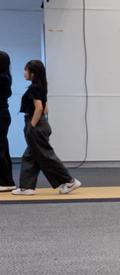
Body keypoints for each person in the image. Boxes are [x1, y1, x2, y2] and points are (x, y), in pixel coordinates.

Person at [12, 60, 80, 196]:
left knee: (46, 156)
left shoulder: (34, 88)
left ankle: (69, 181)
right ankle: (26, 187)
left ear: (33, 73)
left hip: (35, 124)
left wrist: (31, 126)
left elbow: (39, 108)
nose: (24, 73)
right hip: (42, 124)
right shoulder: (41, 86)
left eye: (26, 70)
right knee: (30, 157)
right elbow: (46, 109)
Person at [1, 52, 14, 191]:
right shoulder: (6, 76)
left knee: (1, 149)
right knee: (3, 148)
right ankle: (7, 180)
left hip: (1, 115)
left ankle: (5, 182)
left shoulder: (2, 78)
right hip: (3, 114)